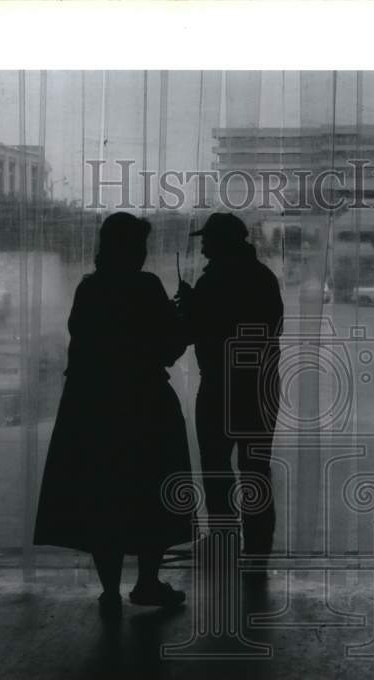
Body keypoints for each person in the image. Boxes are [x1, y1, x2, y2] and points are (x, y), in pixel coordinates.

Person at [34, 213, 192, 623]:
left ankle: (109, 589)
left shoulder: (89, 288)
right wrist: (184, 320)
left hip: (92, 406)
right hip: (144, 404)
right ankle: (148, 582)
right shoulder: (146, 287)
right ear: (132, 249)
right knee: (150, 491)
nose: (143, 254)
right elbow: (167, 348)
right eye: (139, 247)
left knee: (104, 493)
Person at [176, 213, 284, 554]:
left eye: (208, 240)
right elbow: (272, 328)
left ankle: (224, 538)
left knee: (217, 465)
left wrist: (189, 306)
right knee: (256, 468)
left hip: (220, 384)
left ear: (222, 242)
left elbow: (197, 331)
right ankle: (258, 544)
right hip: (260, 384)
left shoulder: (213, 281)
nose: (203, 247)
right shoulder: (263, 277)